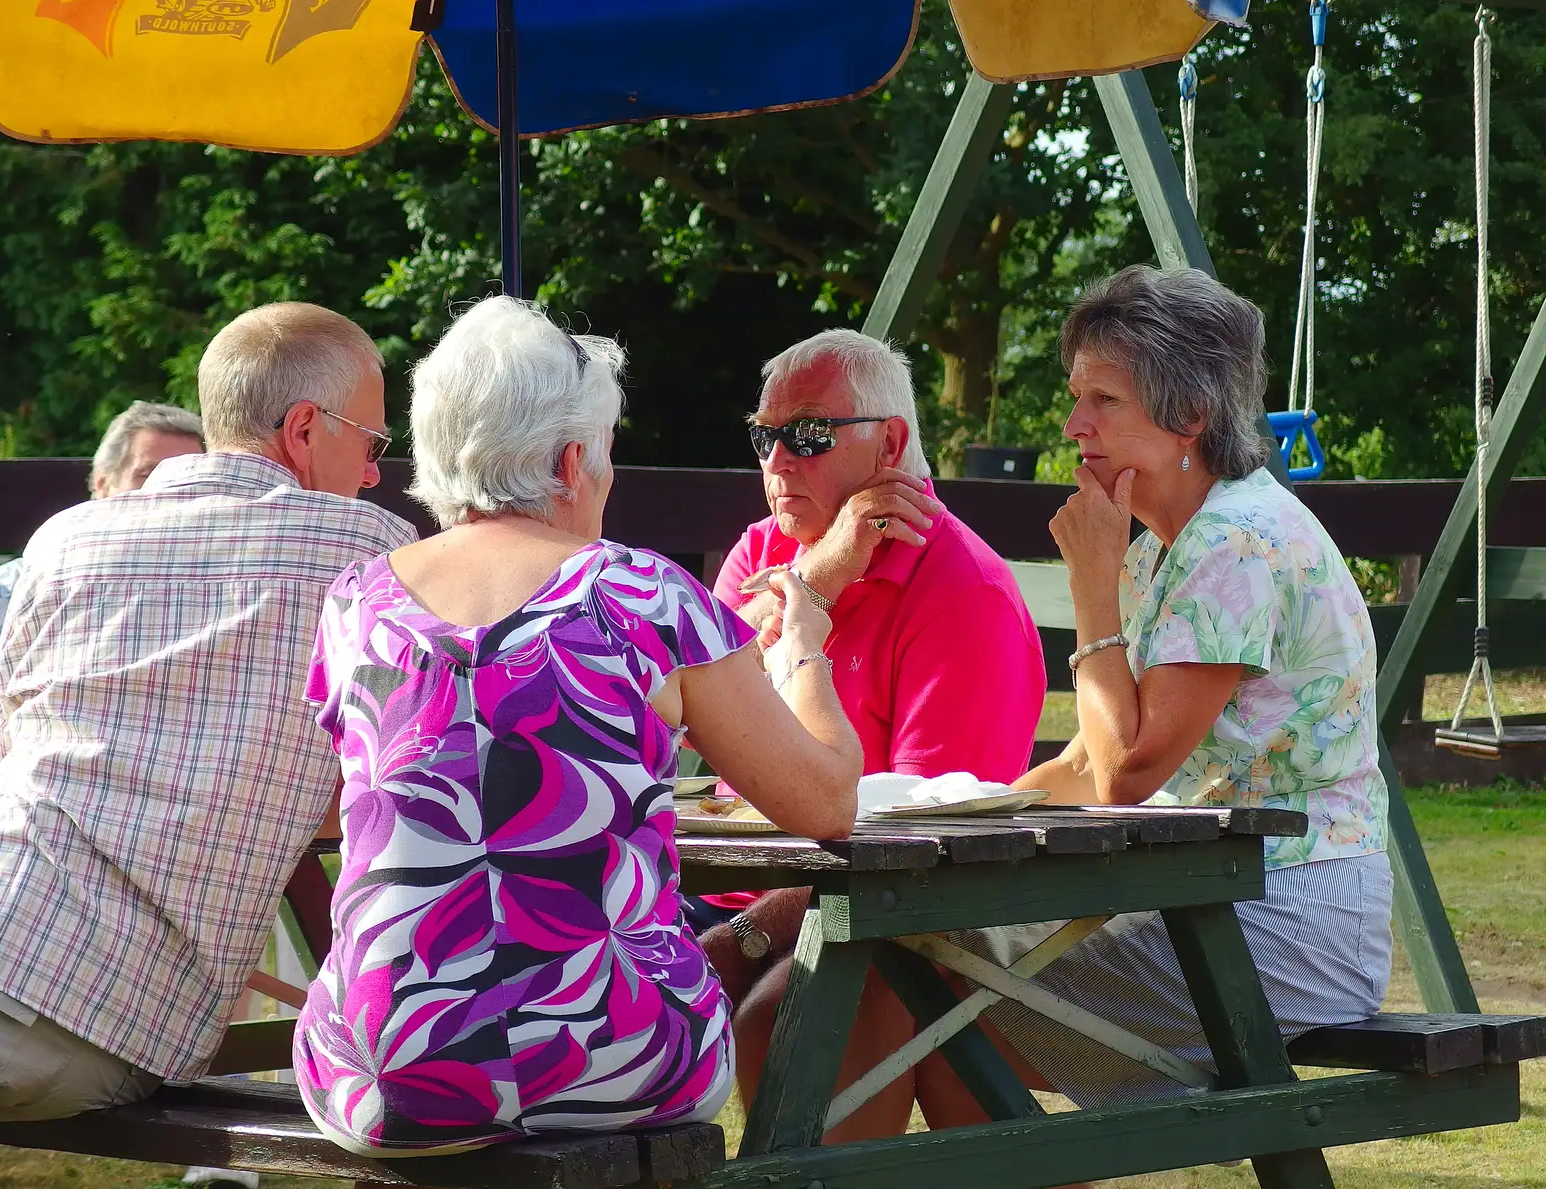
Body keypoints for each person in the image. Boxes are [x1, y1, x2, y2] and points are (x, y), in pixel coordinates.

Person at [292, 297, 862, 1156]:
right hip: (616, 1054)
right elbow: (827, 803)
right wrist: (809, 635)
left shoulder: (356, 604)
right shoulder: (643, 595)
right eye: (604, 455)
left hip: (384, 1071)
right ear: (569, 462)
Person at [904, 265, 1392, 1141]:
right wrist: (959, 811)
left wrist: (1090, 584)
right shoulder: (1171, 546)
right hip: (1208, 896)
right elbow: (1088, 760)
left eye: (1105, 400)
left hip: (1290, 921)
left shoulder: (1236, 544)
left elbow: (1128, 769)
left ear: (1190, 418)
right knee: (930, 1002)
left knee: (937, 1016)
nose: (1073, 424)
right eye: (1076, 395)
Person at [0, 302, 415, 1140]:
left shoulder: (64, 538)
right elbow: (385, 780)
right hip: (103, 1014)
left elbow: (3, 751)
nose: (378, 471)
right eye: (374, 442)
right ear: (305, 427)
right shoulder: (367, 553)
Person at [693, 329, 1046, 1141]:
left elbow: (922, 845)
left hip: (888, 919)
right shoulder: (770, 549)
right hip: (728, 893)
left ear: (890, 443)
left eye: (808, 436)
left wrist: (745, 935)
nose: (778, 461)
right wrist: (818, 578)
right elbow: (693, 691)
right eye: (763, 435)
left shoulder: (965, 594)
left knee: (777, 1018)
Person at [0, 400, 204, 717]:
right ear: (102, 485)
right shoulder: (46, 574)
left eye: (190, 480)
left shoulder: (241, 581)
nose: (169, 494)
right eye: (147, 476)